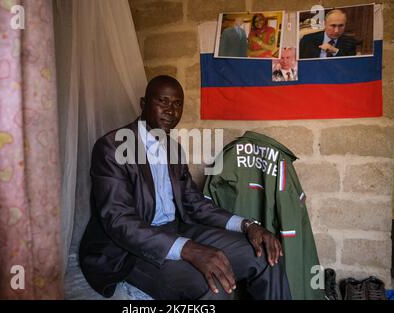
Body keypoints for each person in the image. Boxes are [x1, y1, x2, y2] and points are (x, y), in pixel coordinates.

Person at [79, 75, 292, 300]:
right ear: (143, 104)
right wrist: (188, 249)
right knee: (214, 285)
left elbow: (196, 204)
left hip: (176, 228)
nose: (171, 111)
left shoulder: (173, 149)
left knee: (266, 255)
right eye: (162, 101)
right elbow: (119, 221)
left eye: (177, 104)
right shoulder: (112, 147)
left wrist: (248, 226)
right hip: (127, 250)